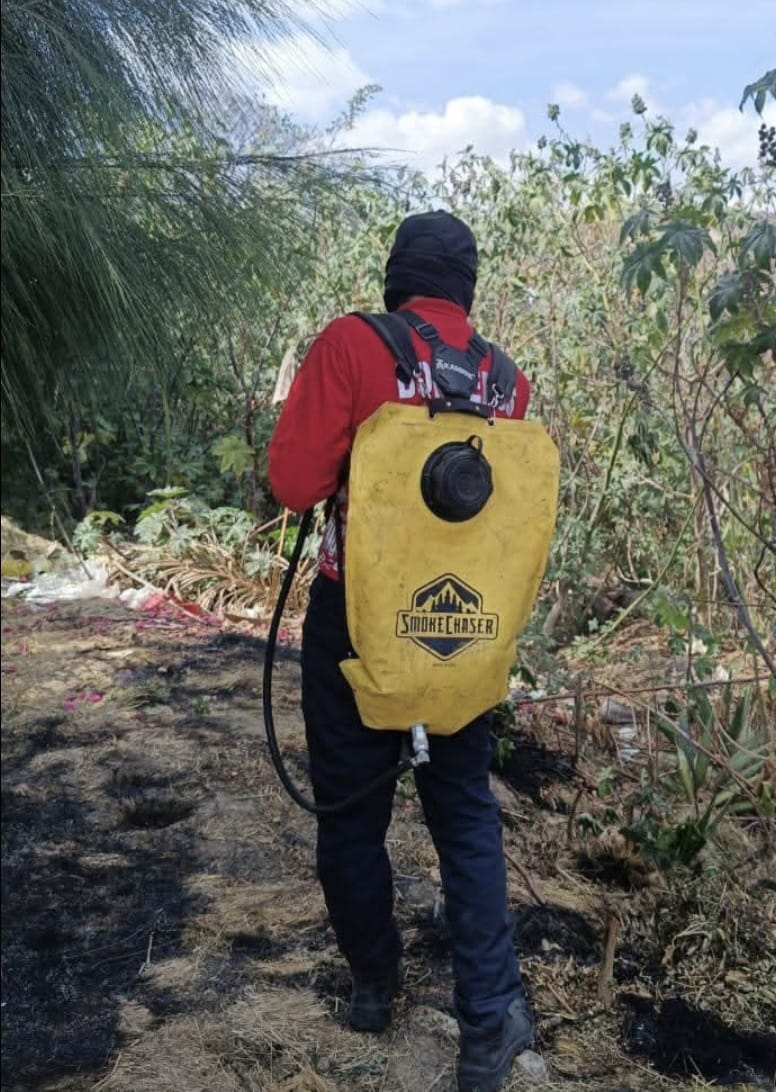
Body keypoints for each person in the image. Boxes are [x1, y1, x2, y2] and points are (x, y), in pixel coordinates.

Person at [267, 211, 534, 1092]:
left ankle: (375, 986)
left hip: (358, 622)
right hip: (462, 629)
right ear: (467, 287)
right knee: (464, 812)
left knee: (351, 815)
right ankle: (488, 1022)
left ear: (396, 275)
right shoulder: (507, 381)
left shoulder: (352, 346)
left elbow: (294, 484)